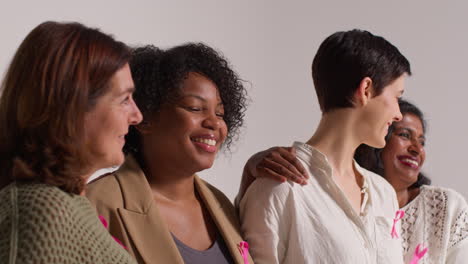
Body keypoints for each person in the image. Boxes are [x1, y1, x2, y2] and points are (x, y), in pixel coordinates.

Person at [239, 29, 410, 263]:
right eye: (397, 97)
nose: (399, 114)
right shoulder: (279, 188)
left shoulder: (383, 194)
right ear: (366, 90)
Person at [86, 44, 254, 264]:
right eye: (195, 108)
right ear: (144, 117)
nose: (214, 122)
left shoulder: (221, 205)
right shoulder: (96, 204)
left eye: (220, 113)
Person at [0, 21, 142, 263]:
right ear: (75, 107)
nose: (137, 116)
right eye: (124, 99)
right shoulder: (40, 210)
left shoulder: (69, 203)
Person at [354, 99, 468, 263]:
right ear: (376, 140)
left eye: (422, 142)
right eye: (405, 135)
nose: (417, 149)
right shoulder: (350, 203)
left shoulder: (447, 207)